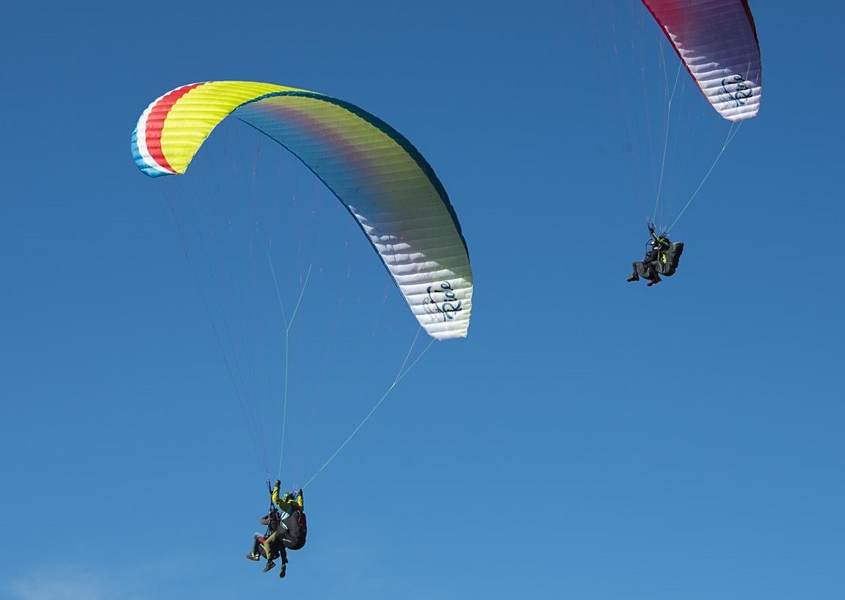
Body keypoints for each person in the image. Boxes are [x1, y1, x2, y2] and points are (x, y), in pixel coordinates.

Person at [253, 480, 306, 578]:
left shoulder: (288, 508)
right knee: (281, 542)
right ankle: (283, 563)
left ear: (286, 500)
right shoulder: (298, 509)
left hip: (293, 541)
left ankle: (270, 562)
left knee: (268, 542)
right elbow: (301, 505)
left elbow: (275, 499)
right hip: (301, 542)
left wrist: (277, 486)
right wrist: (300, 495)